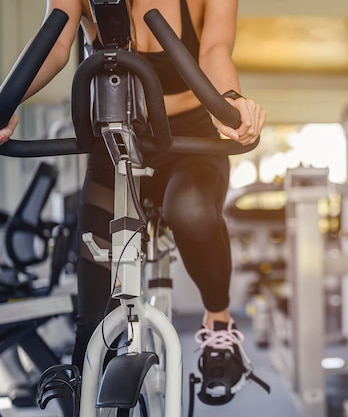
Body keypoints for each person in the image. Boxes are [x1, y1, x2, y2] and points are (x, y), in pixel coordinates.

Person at [0, 0, 267, 405]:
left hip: (190, 140)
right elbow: (54, 46)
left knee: (191, 210)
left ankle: (218, 321)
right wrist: (8, 97)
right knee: (92, 324)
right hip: (115, 137)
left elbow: (214, 51)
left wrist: (229, 104)